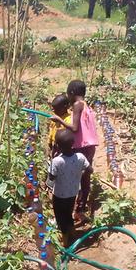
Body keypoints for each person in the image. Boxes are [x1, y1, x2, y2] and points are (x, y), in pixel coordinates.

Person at [50, 79, 98, 220]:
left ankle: (77, 209)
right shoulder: (86, 105)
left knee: (79, 176)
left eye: (68, 94)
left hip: (83, 146)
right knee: (85, 177)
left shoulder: (77, 105)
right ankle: (80, 207)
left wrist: (60, 120)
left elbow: (75, 128)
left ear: (71, 93)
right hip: (90, 146)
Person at [48, 129, 90, 245]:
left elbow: (51, 178)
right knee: (68, 212)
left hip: (60, 195)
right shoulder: (80, 157)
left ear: (57, 145)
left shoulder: (57, 161)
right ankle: (73, 234)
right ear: (73, 143)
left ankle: (65, 242)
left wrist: (48, 186)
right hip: (73, 192)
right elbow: (89, 169)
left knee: (61, 217)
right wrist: (79, 174)